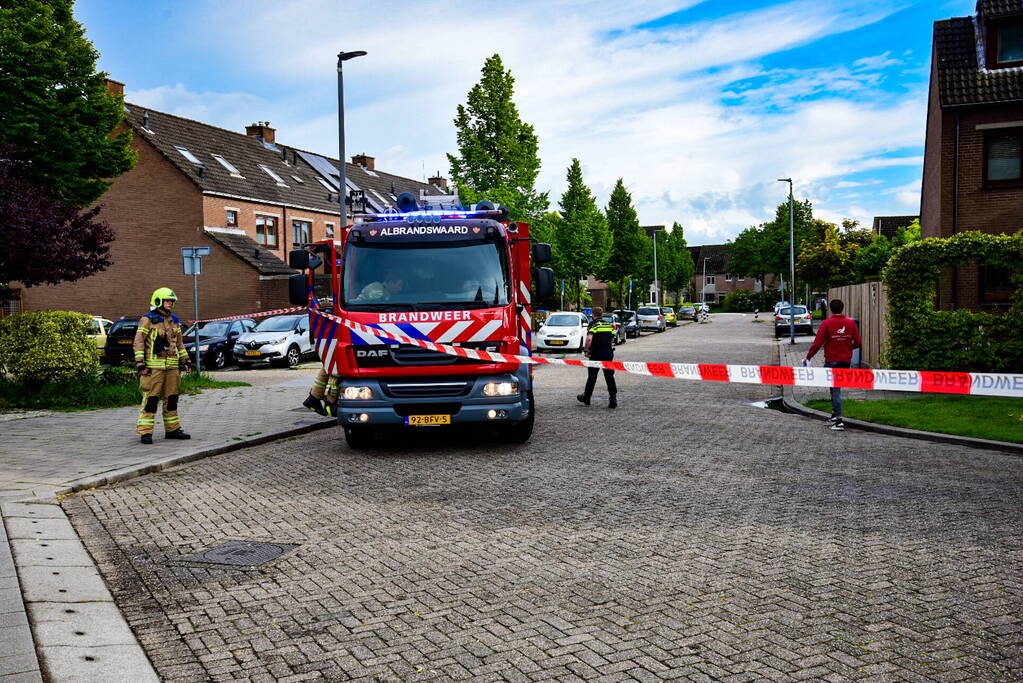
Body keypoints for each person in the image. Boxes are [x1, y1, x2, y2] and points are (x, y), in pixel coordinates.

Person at [133, 287, 192, 443]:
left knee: (172, 399)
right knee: (151, 400)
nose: (170, 303)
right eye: (167, 300)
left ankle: (173, 430)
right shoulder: (147, 319)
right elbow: (138, 342)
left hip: (172, 368)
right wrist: (140, 364)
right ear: (158, 300)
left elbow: (179, 345)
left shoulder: (175, 320)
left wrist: (186, 360)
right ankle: (145, 432)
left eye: (172, 301)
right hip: (154, 368)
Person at [804, 298, 861, 431]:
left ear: (830, 309)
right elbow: (858, 342)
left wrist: (808, 357)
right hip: (846, 361)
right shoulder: (851, 323)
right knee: (834, 387)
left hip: (832, 361)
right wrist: (848, 348)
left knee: (835, 389)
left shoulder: (827, 323)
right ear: (842, 308)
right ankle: (835, 415)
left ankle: (839, 420)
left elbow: (817, 344)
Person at [577, 306, 618, 409]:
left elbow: (589, 339)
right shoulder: (609, 325)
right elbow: (612, 339)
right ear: (602, 314)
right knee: (609, 376)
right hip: (608, 353)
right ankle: (613, 399)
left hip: (595, 354)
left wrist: (586, 350)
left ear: (593, 315)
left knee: (592, 377)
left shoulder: (593, 324)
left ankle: (587, 397)